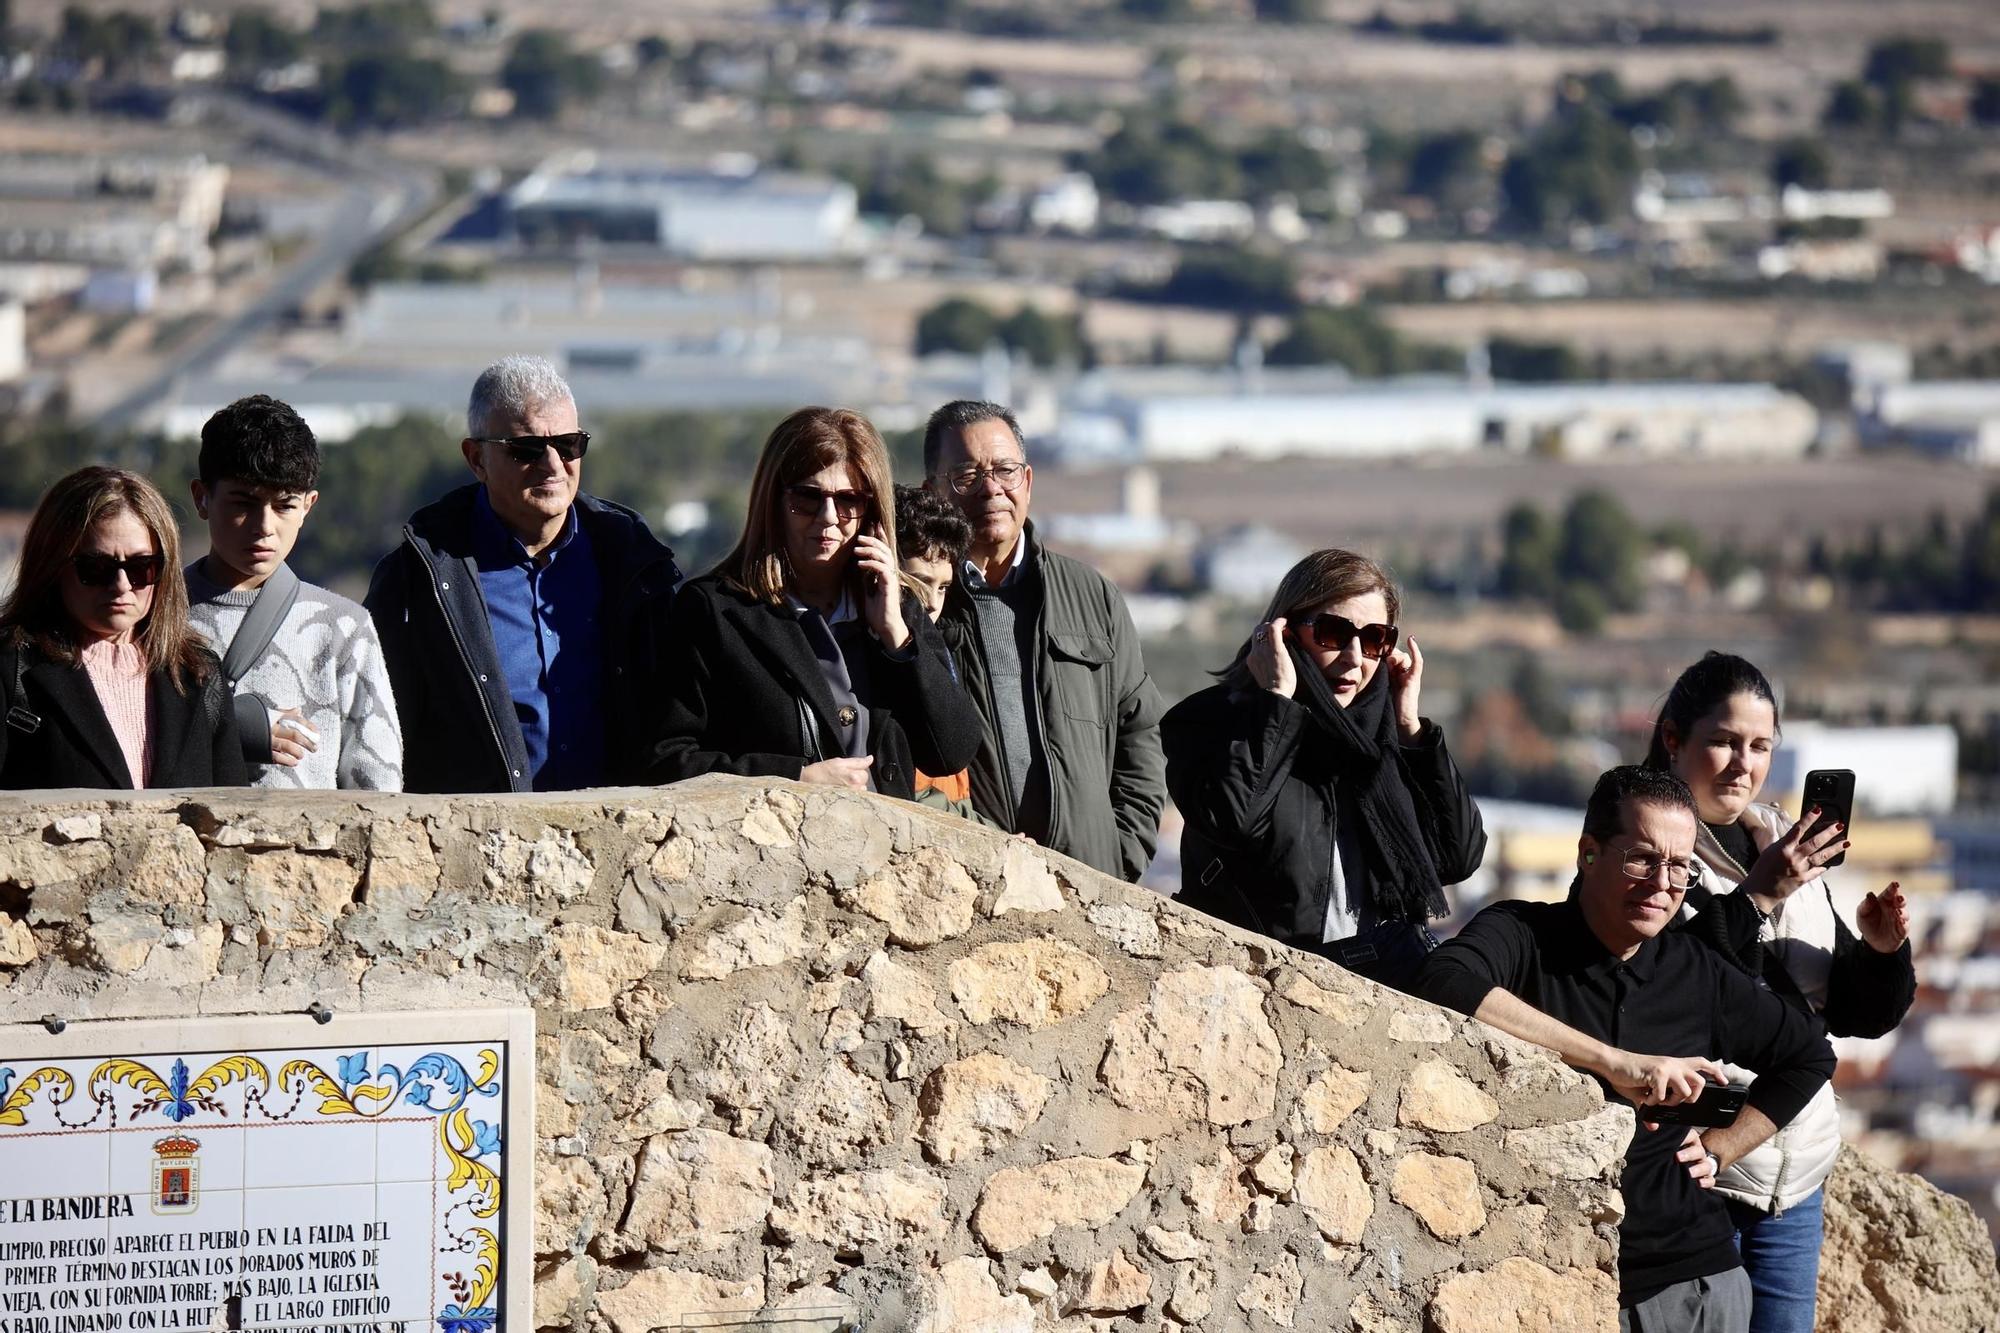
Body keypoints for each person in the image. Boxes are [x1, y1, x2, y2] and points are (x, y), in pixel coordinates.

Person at [1416, 766, 1837, 1333]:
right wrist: (1612, 1063)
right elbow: (1444, 983)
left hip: (1697, 1282)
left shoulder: (1694, 970)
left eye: (1681, 867)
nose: (1663, 884)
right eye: (1642, 858)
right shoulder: (1522, 935)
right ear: (1589, 852)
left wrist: (1722, 1149)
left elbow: (1808, 1056)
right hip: (1555, 1281)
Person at [1645, 652, 1915, 1333]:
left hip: (1794, 1180)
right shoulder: (1646, 844)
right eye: (1725, 741)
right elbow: (1668, 988)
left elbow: (1848, 1013)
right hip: (1700, 1169)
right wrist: (1760, 892)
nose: (1744, 763)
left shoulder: (1782, 842)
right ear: (1675, 739)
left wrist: (1883, 952)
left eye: (1761, 745)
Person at [1163, 548, 1484, 992]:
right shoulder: (1210, 721)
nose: (1355, 657)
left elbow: (1457, 857)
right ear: (1285, 632)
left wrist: (1412, 730)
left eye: (1374, 639)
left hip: (1379, 986)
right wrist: (1278, 702)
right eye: (1334, 633)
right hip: (1263, 988)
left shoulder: (1383, 740)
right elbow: (1232, 821)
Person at [365, 356, 682, 793]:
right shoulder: (417, 579)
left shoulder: (634, 563)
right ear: (476, 458)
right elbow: (378, 731)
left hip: (617, 839)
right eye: (526, 449)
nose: (553, 466)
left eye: (569, 445)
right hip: (476, 845)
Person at [648, 407, 982, 800]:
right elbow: (664, 761)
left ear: (871, 510)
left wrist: (898, 638)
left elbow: (951, 753)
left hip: (886, 855)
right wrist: (793, 778)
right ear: (773, 501)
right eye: (806, 498)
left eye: (848, 501)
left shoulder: (897, 605)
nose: (828, 518)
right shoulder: (714, 611)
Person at [923, 399, 1165, 880]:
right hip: (967, 884)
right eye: (967, 476)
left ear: (1027, 482)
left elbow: (1140, 731)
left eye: (1005, 471)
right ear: (932, 490)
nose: (991, 488)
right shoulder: (918, 601)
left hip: (1091, 882)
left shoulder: (1091, 595)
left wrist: (1122, 853)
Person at [186, 394, 402, 790]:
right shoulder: (154, 614)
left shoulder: (343, 628)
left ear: (308, 506)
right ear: (202, 497)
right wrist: (234, 725)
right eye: (243, 503)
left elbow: (378, 788)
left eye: (284, 505)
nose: (264, 526)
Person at [0, 466, 246, 789]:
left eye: (141, 567)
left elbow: (232, 819)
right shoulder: (11, 668)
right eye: (96, 568)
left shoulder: (198, 674)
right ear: (52, 566)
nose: (121, 585)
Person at [893, 483, 990, 824]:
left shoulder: (942, 655)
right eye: (918, 583)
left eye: (943, 587)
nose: (932, 603)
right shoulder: (877, 663)